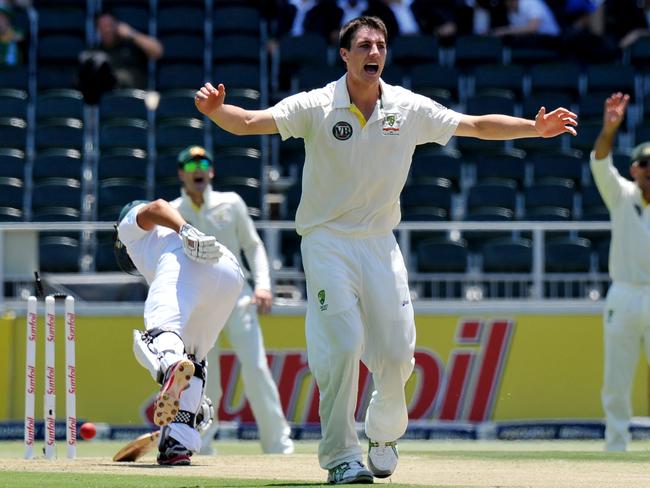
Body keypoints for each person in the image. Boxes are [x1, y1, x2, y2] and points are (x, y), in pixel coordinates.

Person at [194, 15, 577, 484]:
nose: (374, 52)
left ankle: (383, 433)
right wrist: (216, 112)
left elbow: (475, 125)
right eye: (364, 45)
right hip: (326, 241)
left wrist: (533, 129)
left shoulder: (407, 107)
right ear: (345, 55)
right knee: (342, 345)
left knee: (397, 355)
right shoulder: (318, 104)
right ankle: (340, 456)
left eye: (380, 45)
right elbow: (252, 122)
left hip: (379, 243)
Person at [170, 145, 295, 455]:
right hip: (199, 307)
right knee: (203, 378)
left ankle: (278, 445)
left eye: (203, 163)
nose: (197, 168)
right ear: (181, 174)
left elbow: (253, 247)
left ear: (211, 171)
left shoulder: (231, 203)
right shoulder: (173, 212)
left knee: (255, 370)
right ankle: (201, 444)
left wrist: (263, 286)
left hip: (239, 301)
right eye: (190, 164)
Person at [115, 199, 244, 465]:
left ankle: (173, 365)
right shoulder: (156, 248)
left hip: (185, 259)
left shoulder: (128, 231)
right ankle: (177, 444)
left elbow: (157, 207)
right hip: (229, 271)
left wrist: (185, 229)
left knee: (154, 336)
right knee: (194, 359)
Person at [590, 92, 650, 452]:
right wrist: (609, 129)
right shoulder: (622, 195)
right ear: (634, 169)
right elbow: (600, 160)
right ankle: (616, 446)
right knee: (617, 378)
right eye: (645, 165)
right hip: (624, 293)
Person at [78, 11, 163, 104]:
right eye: (102, 27)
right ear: (97, 30)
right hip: (109, 102)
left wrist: (132, 34)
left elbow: (157, 52)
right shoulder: (94, 52)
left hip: (138, 98)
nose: (107, 30)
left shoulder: (132, 44)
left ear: (117, 25)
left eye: (110, 25)